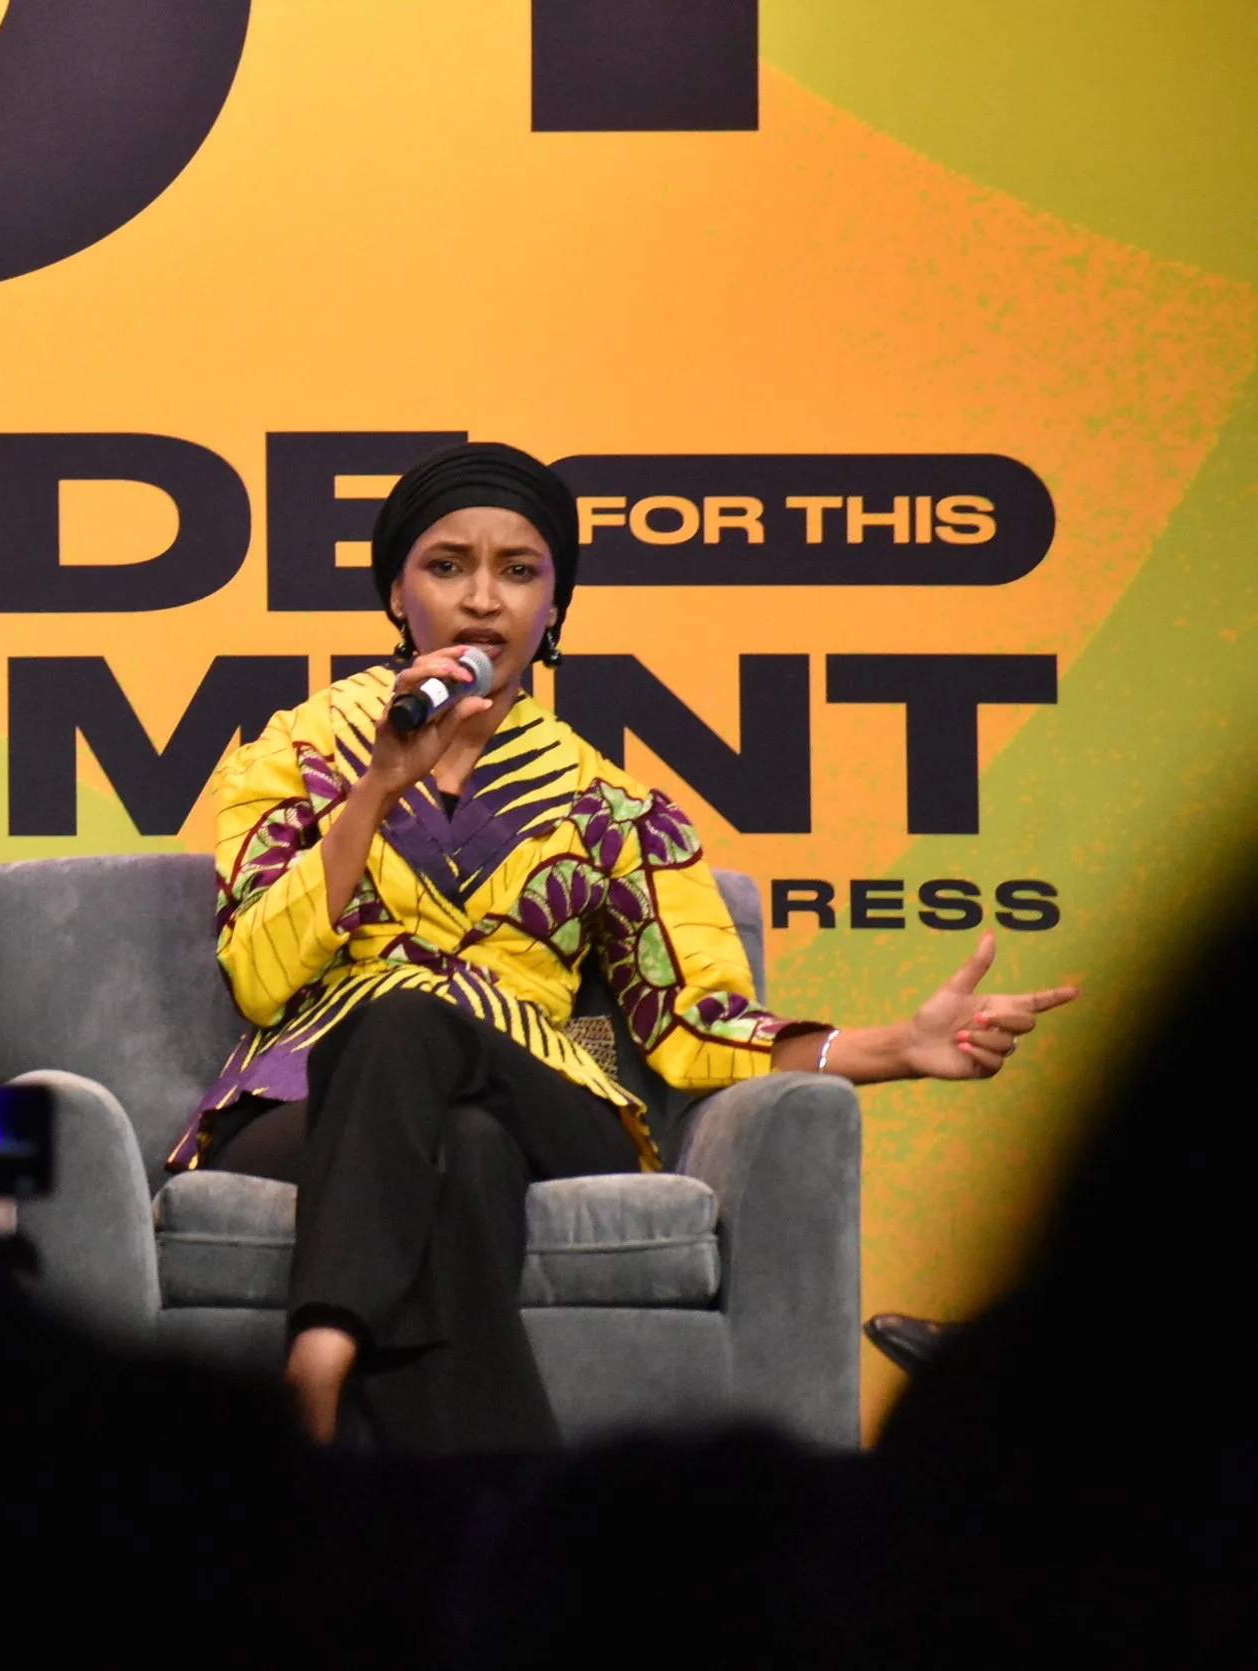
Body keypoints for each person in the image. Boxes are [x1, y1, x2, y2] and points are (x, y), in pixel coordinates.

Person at [181, 441, 1079, 1452]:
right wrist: (379, 785)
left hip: (545, 1098)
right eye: (447, 566)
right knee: (459, 1146)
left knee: (423, 1029)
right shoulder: (296, 757)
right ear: (396, 592)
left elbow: (698, 1026)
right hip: (313, 1104)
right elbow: (260, 980)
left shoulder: (612, 807)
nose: (483, 598)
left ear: (554, 606)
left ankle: (318, 1353)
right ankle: (498, 1523)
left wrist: (893, 1048)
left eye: (518, 571)